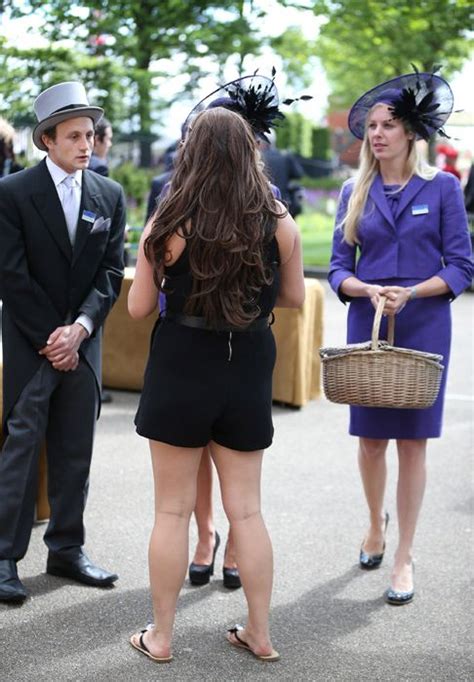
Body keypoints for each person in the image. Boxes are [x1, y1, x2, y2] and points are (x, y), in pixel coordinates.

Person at [128, 103, 305, 662]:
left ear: (192, 153)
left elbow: (136, 308)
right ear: (251, 152)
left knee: (171, 511)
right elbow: (296, 298)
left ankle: (161, 637)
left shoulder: (166, 223)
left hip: (182, 358)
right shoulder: (278, 220)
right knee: (247, 510)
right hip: (248, 358)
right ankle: (261, 632)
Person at [328, 69, 473, 606]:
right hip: (368, 323)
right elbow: (338, 268)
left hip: (423, 323)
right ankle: (374, 523)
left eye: (387, 125)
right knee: (369, 442)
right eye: (370, 126)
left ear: (412, 131)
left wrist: (414, 293)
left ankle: (404, 554)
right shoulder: (353, 190)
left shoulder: (443, 189)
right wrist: (363, 288)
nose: (376, 134)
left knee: (413, 444)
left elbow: (461, 266)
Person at [0, 81, 126, 603]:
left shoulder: (109, 194)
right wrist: (54, 337)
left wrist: (81, 329)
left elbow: (111, 272)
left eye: (90, 134)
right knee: (21, 449)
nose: (85, 144)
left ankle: (67, 549)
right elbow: (10, 274)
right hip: (32, 345)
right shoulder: (12, 193)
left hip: (82, 344)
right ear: (46, 140)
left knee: (76, 447)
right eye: (73, 135)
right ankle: (4, 557)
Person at [259, 134, 304, 217]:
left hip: (263, 203)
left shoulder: (258, 158)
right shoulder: (285, 156)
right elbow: (299, 174)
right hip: (284, 201)